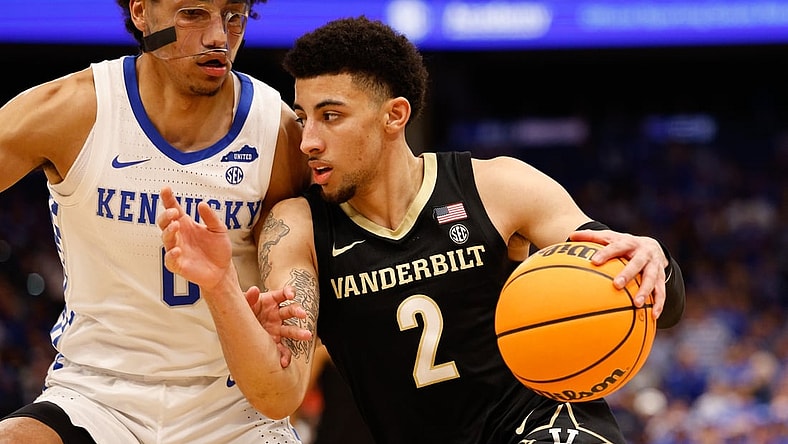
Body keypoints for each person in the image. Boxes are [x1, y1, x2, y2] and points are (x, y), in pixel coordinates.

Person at [158, 16, 686, 443]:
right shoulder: (296, 226)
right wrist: (221, 284)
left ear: (394, 116)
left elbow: (656, 298)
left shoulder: (499, 186)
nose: (308, 141)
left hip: (544, 426)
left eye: (331, 116)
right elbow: (279, 395)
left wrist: (652, 259)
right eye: (303, 118)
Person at [0, 0, 313, 442]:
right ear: (142, 12)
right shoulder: (72, 111)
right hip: (97, 398)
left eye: (233, 16)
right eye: (192, 14)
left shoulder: (277, 134)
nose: (218, 38)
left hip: (233, 409)